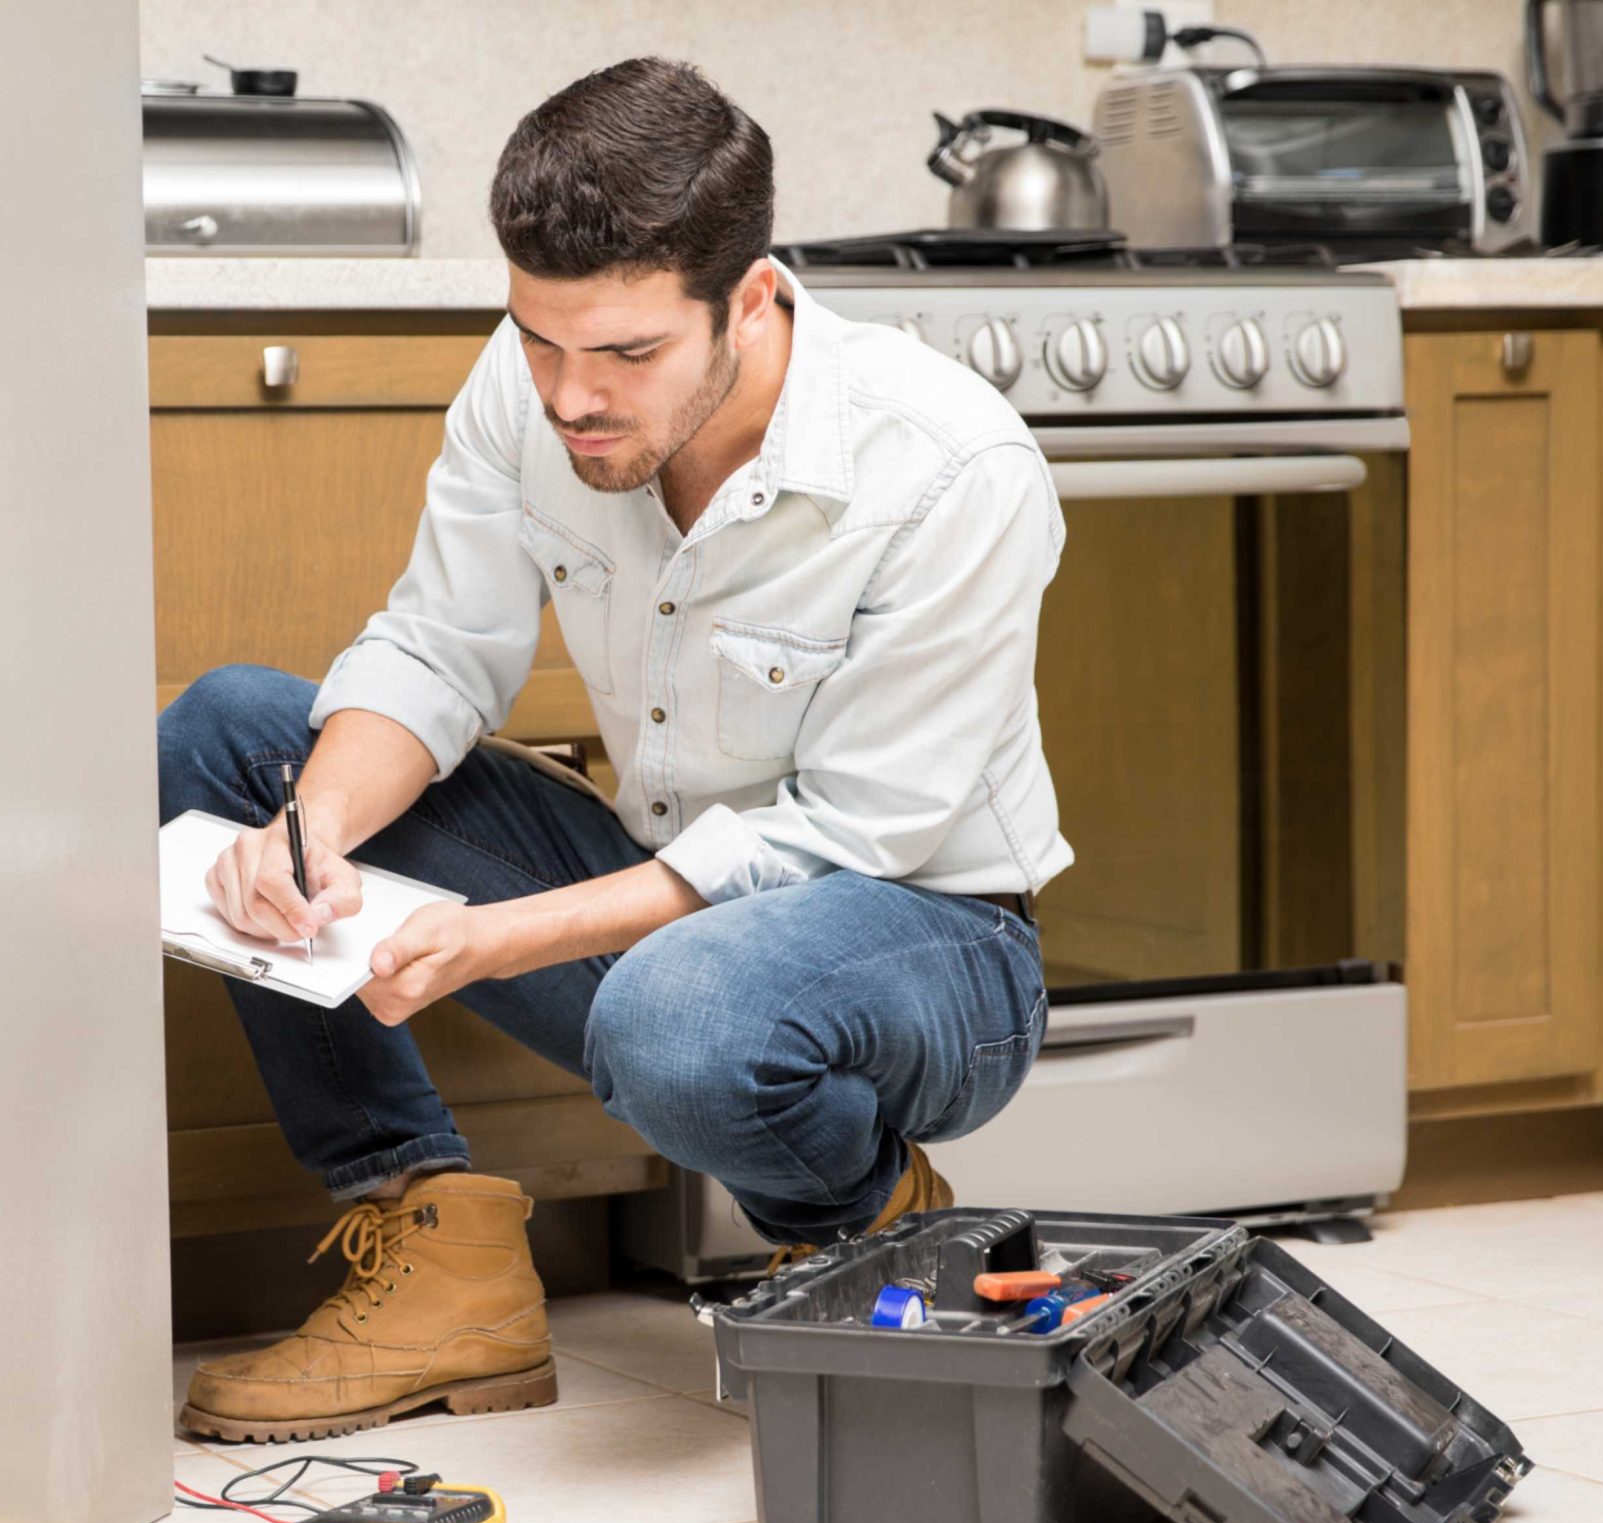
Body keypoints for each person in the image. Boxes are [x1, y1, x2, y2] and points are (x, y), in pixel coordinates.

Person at [159, 57, 1068, 1443]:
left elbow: (841, 835)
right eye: (541, 342)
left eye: (628, 357)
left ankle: (869, 1220)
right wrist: (314, 825)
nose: (571, 398)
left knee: (681, 1017)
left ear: (750, 301)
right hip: (663, 893)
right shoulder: (532, 386)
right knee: (230, 734)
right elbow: (439, 647)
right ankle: (436, 1251)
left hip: (930, 938)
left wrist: (492, 940)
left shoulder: (951, 468)